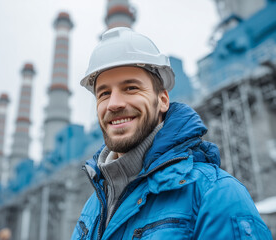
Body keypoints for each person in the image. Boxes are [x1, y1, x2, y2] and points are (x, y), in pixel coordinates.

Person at [71, 27, 272, 239]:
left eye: (131, 88)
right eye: (104, 93)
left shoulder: (215, 194)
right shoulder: (92, 208)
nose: (114, 104)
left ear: (163, 100)